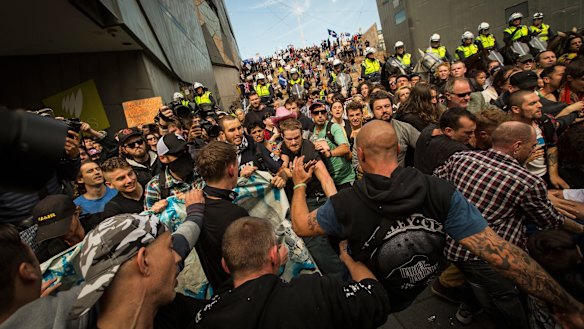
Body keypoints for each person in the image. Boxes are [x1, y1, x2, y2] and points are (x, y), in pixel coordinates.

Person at [289, 120, 584, 324]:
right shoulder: (438, 190)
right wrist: (569, 304)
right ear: (398, 149)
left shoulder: (344, 203)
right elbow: (504, 255)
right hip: (419, 284)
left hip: (372, 298)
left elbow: (301, 226)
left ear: (360, 154)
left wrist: (300, 184)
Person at [435, 121, 582, 328]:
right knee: (504, 297)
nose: (533, 152)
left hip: (453, 245)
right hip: (490, 257)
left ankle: (469, 306)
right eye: (532, 147)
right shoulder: (528, 182)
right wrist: (581, 229)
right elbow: (549, 220)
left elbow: (437, 184)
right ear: (517, 146)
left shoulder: (461, 157)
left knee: (475, 283)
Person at [194, 216, 391, 329]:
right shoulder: (314, 290)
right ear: (273, 255)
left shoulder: (207, 313)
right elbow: (375, 299)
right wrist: (350, 260)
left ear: (225, 266)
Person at [194, 141, 249, 291]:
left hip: (219, 292)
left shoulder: (194, 207)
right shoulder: (236, 215)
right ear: (231, 169)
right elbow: (250, 266)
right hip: (240, 292)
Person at [509, 90, 568, 188]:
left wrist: (553, 174)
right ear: (516, 109)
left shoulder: (545, 121)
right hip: (521, 181)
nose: (540, 105)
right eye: (533, 103)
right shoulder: (505, 131)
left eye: (538, 101)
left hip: (544, 177)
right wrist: (522, 160)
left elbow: (551, 146)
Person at [218, 116, 284, 185]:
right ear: (222, 134)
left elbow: (281, 169)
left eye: (239, 128)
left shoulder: (256, 147)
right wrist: (240, 178)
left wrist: (281, 179)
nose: (237, 133)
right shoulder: (217, 155)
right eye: (232, 130)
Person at [309, 100, 355, 190]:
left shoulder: (334, 127)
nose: (320, 115)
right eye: (316, 113)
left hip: (344, 179)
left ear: (326, 114)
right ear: (311, 115)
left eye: (322, 112)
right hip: (327, 181)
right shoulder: (310, 132)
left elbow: (345, 148)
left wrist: (329, 153)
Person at [144, 133, 196, 212]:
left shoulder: (200, 173)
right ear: (163, 158)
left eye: (185, 150)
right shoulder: (155, 187)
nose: (184, 155)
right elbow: (149, 221)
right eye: (177, 153)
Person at [414, 108, 476, 174]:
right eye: (468, 133)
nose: (472, 136)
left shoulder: (427, 131)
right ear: (448, 131)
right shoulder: (459, 151)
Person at [32, 195, 88, 263]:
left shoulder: (100, 224)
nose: (59, 232)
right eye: (51, 229)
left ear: (76, 213)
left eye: (63, 225)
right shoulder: (47, 254)